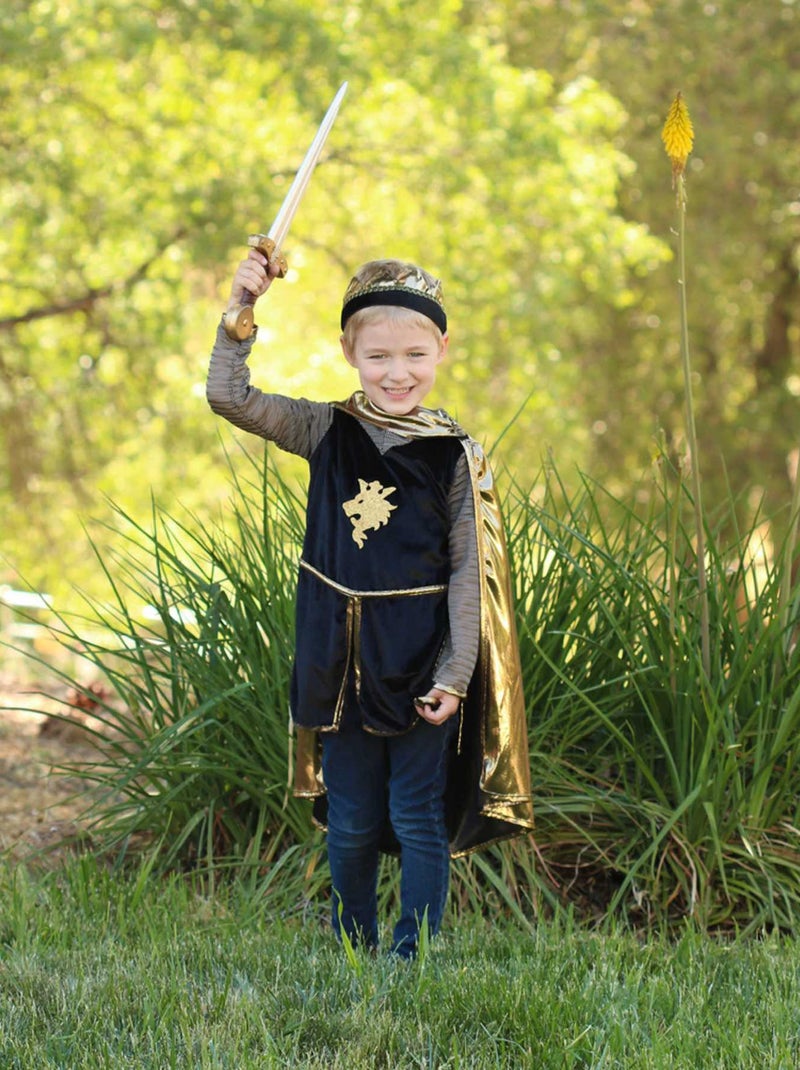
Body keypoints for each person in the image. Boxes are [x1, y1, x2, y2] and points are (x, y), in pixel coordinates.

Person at [207, 251, 533, 958]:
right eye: (378, 355)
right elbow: (230, 397)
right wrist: (241, 311)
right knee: (351, 820)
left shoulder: (454, 456)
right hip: (338, 667)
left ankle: (413, 955)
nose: (397, 373)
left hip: (419, 670)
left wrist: (455, 674)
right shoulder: (326, 429)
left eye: (415, 355)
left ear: (441, 350)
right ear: (348, 351)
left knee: (417, 817)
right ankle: (353, 944)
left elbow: (468, 576)